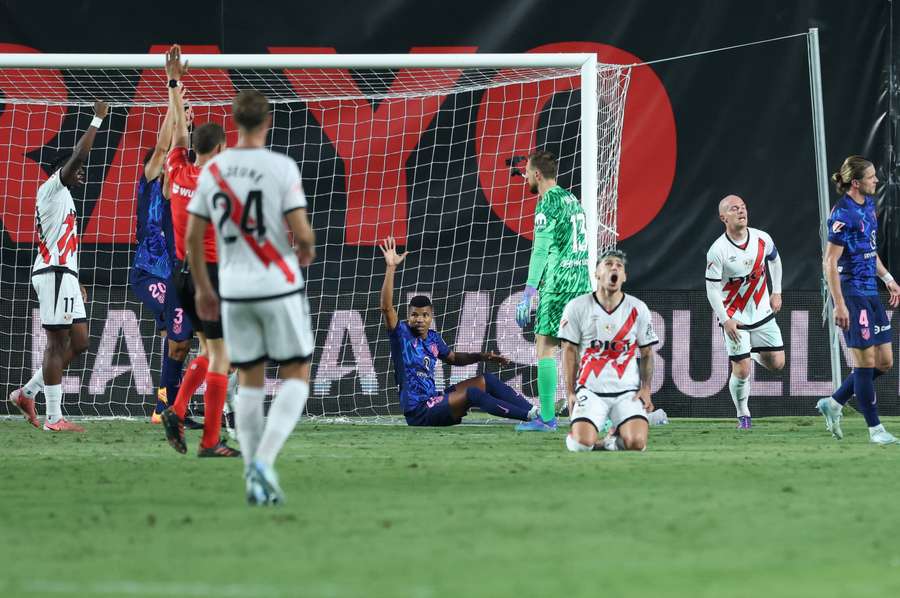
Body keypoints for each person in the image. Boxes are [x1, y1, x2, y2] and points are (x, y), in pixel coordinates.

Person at [187, 89, 315, 504]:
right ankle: (263, 459)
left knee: (249, 377)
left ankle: (250, 478)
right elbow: (302, 231)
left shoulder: (214, 170)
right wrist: (306, 249)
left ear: (235, 123)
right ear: (268, 122)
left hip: (234, 290)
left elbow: (192, 237)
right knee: (297, 373)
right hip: (278, 284)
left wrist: (205, 289)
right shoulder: (280, 167)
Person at [7, 100, 109, 432]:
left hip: (64, 273)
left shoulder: (65, 198)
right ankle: (53, 418)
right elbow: (79, 155)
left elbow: (65, 242)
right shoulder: (51, 188)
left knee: (79, 341)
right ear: (62, 169)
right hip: (52, 273)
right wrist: (96, 118)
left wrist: (74, 277)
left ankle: (28, 392)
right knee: (56, 343)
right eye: (76, 169)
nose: (81, 173)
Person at [158, 44, 238, 457]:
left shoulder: (178, 169)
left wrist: (174, 85)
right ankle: (209, 440)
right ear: (220, 151)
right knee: (222, 354)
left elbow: (177, 136)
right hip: (210, 276)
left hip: (183, 274)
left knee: (207, 350)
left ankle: (176, 407)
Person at [380, 236, 540, 427]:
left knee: (486, 380)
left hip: (435, 401)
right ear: (408, 317)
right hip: (419, 411)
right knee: (472, 394)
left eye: (424, 315)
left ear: (431, 318)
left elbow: (454, 358)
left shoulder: (433, 339)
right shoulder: (401, 334)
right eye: (414, 315)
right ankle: (529, 418)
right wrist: (391, 268)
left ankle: (534, 412)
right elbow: (387, 308)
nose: (419, 319)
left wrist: (484, 356)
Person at [817, 156, 900, 444]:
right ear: (856, 182)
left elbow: (869, 250)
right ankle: (875, 430)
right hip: (851, 293)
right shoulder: (843, 214)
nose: (876, 180)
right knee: (864, 364)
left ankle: (835, 401)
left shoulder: (869, 208)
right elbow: (830, 262)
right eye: (871, 176)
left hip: (871, 292)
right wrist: (839, 303)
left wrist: (888, 279)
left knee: (885, 362)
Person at [514, 151, 592, 431]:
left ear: (537, 175)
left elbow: (541, 251)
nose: (524, 178)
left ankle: (547, 418)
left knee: (545, 347)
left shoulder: (546, 203)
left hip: (559, 283)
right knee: (581, 350)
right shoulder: (570, 199)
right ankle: (595, 415)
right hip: (582, 280)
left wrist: (528, 293)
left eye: (528, 174)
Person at [128, 92, 193, 424]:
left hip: (174, 274)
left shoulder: (177, 186)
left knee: (178, 340)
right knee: (176, 334)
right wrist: (175, 105)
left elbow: (178, 151)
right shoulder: (151, 176)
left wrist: (183, 119)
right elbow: (164, 145)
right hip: (147, 273)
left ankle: (167, 405)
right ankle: (165, 406)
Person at [559, 250, 658, 452]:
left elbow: (647, 352)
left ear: (624, 277)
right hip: (591, 390)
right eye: (608, 264)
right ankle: (595, 438)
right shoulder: (577, 307)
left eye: (619, 266)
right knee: (580, 446)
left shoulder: (638, 308)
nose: (614, 268)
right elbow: (569, 351)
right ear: (596, 273)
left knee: (637, 444)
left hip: (627, 392)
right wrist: (570, 392)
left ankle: (611, 439)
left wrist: (646, 389)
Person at [704, 195, 785, 429]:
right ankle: (743, 415)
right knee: (742, 370)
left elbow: (775, 261)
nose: (741, 211)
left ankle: (749, 353)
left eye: (743, 207)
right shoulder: (717, 250)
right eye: (734, 209)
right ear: (723, 217)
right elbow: (711, 289)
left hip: (761, 311)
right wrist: (725, 319)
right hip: (735, 316)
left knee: (778, 364)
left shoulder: (762, 239)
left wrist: (776, 291)